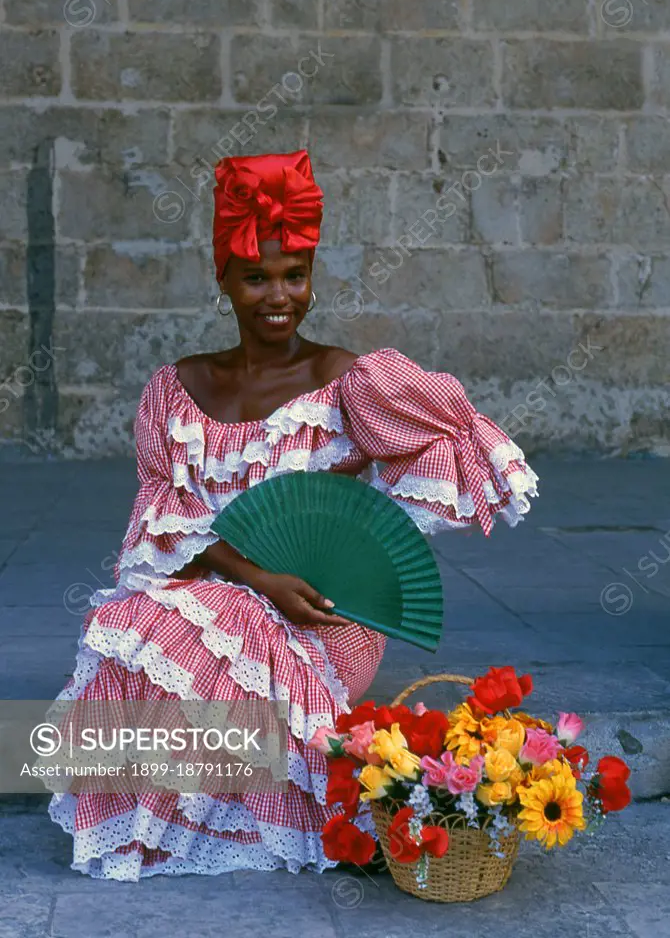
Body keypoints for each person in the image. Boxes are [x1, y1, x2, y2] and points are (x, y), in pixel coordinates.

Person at [48, 149, 538, 881]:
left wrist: (362, 543)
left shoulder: (349, 382)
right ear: (223, 281)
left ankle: (205, 807)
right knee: (138, 630)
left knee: (178, 641)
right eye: (256, 277)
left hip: (324, 612)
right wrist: (255, 575)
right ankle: (164, 818)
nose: (279, 296)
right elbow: (166, 529)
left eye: (295, 275)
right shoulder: (176, 391)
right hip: (217, 588)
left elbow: (452, 437)